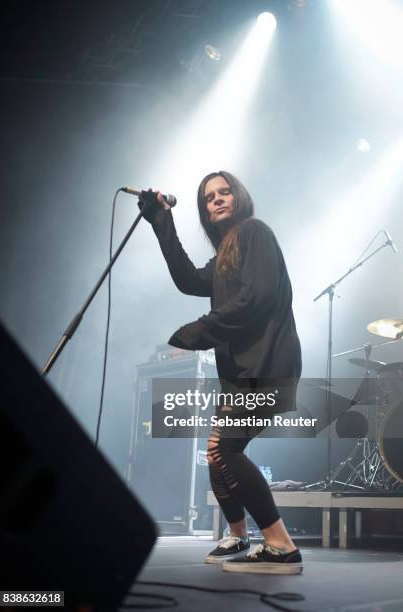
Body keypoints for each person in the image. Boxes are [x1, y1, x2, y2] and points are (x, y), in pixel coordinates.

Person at [139, 171, 303, 574]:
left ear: (239, 196)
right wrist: (163, 223)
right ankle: (238, 535)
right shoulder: (227, 253)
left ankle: (281, 545)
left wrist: (201, 329)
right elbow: (188, 279)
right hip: (243, 370)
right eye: (209, 197)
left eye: (224, 191)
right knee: (217, 453)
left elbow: (257, 296)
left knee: (225, 449)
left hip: (267, 366)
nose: (216, 199)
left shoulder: (255, 233)